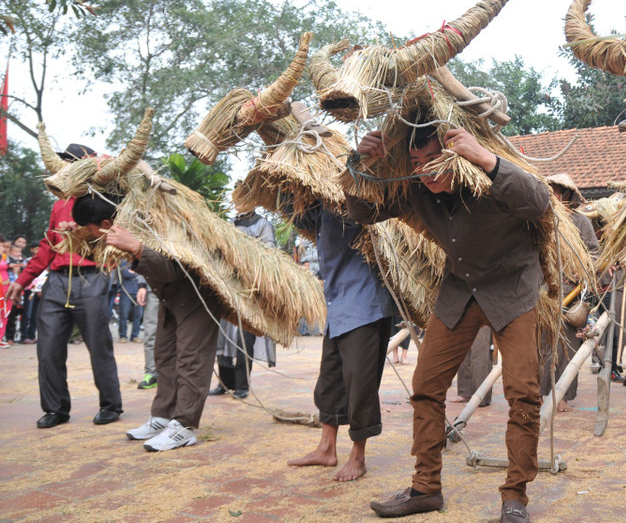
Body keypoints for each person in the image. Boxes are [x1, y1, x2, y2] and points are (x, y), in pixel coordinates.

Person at [348, 125, 549, 523]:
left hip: (512, 289)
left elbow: (539, 202)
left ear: (456, 152)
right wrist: (359, 163)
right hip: (461, 290)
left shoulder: (489, 178)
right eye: (416, 162)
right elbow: (362, 213)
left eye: (433, 159)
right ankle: (425, 488)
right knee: (425, 385)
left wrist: (485, 158)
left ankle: (515, 497)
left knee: (523, 393)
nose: (425, 170)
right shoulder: (416, 188)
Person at [68, 192, 224, 451]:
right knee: (164, 355)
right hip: (170, 297)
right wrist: (77, 237)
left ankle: (184, 426)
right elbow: (105, 256)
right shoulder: (125, 226)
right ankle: (163, 416)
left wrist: (137, 248)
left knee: (191, 359)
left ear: (106, 224)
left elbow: (173, 270)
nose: (91, 234)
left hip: (196, 293)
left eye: (91, 230)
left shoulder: (157, 222)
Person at [4, 143, 123, 428]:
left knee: (98, 345)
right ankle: (55, 409)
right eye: (64, 162)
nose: (65, 166)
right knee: (47, 348)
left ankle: (111, 405)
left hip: (92, 276)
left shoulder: (104, 199)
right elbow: (47, 245)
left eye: (71, 161)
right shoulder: (59, 203)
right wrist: (23, 280)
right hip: (57, 280)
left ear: (86, 164)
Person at [284, 199, 396, 482]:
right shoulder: (319, 205)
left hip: (364, 301)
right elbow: (300, 217)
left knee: (360, 383)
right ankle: (326, 448)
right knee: (330, 378)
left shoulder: (353, 196)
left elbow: (373, 216)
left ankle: (358, 457)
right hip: (337, 302)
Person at [540, 173, 599, 413]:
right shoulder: (541, 220)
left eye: (555, 191)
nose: (551, 195)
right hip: (543, 291)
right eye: (549, 190)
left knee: (567, 346)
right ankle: (540, 394)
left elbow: (594, 253)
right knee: (542, 345)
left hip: (571, 292)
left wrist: (579, 268)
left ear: (566, 195)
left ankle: (562, 395)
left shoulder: (581, 222)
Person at [209, 211, 277, 400]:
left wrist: (245, 258)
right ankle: (225, 383)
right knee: (223, 338)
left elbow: (269, 255)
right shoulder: (229, 223)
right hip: (229, 288)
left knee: (243, 339)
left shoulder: (263, 225)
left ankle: (242, 384)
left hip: (250, 290)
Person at [135, 276, 159, 389]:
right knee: (150, 333)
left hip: (178, 289)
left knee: (181, 333)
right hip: (153, 288)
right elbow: (141, 264)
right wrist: (142, 285)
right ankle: (152, 374)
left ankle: (178, 374)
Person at [113, 259, 142, 343]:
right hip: (126, 291)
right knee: (124, 315)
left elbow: (143, 273)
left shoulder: (140, 261)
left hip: (138, 291)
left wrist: (133, 272)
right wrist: (137, 272)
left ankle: (135, 336)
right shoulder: (123, 261)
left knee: (138, 315)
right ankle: (122, 335)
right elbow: (126, 274)